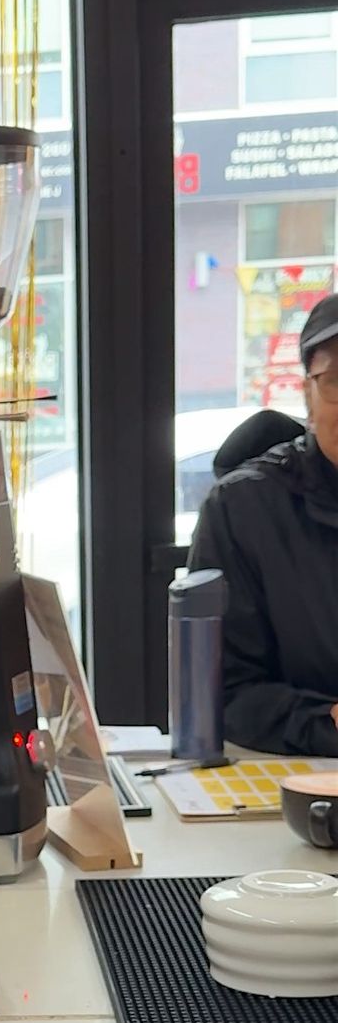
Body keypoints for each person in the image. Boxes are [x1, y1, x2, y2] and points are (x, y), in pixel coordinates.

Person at [189, 293, 338, 755]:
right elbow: (223, 692)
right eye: (337, 380)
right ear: (308, 397)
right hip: (298, 775)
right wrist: (325, 721)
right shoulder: (242, 510)